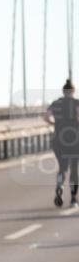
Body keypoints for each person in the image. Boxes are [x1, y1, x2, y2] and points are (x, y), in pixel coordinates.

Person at [43, 78, 79, 208]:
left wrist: (55, 124)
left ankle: (59, 185)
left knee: (63, 167)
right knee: (74, 170)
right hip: (74, 139)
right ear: (73, 91)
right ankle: (73, 200)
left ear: (63, 91)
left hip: (58, 138)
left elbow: (46, 117)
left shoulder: (55, 103)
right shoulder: (76, 103)